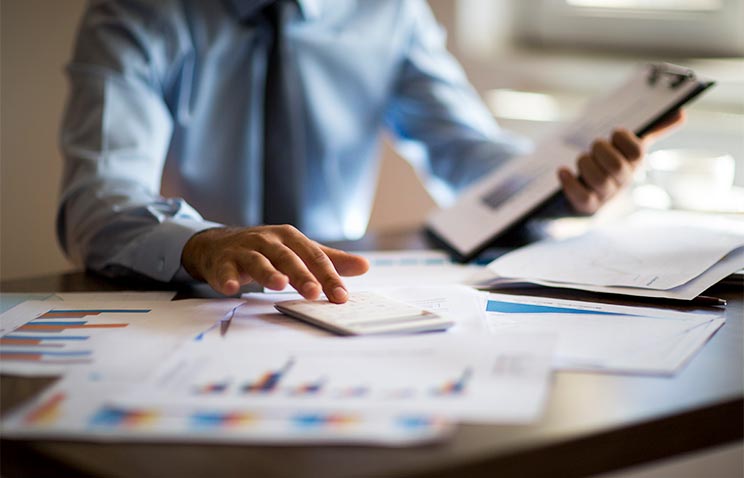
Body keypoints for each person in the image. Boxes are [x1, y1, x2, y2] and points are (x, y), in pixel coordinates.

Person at [57, 0, 683, 303]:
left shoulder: (391, 12)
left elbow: (466, 153)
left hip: (339, 302)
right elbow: (99, 199)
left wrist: (564, 184)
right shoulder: (136, 12)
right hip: (187, 298)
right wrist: (202, 242)